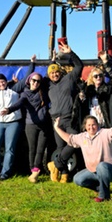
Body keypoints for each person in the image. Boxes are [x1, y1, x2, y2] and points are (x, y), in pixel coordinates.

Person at [52, 115, 112, 202]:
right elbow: (69, 139)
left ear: (97, 125)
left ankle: (104, 196)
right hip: (95, 171)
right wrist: (57, 128)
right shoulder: (82, 137)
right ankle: (101, 188)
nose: (91, 127)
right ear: (85, 127)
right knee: (77, 179)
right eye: (89, 125)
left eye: (93, 124)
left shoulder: (104, 133)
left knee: (101, 166)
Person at [8, 56, 52, 183]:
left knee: (40, 149)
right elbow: (19, 103)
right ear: (29, 81)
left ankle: (35, 171)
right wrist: (9, 110)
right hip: (30, 125)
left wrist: (52, 61)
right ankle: (32, 170)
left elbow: (50, 74)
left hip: (44, 124)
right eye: (33, 80)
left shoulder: (43, 90)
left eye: (38, 81)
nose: (35, 83)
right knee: (32, 148)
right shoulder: (25, 93)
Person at [46, 40, 84, 183]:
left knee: (74, 141)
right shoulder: (48, 85)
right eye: (52, 73)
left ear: (60, 72)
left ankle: (55, 164)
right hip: (55, 120)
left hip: (68, 118)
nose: (55, 74)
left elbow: (79, 66)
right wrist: (52, 60)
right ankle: (63, 174)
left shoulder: (68, 79)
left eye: (56, 72)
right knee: (60, 147)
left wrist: (70, 53)